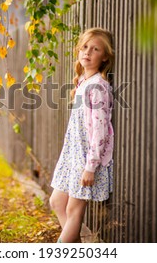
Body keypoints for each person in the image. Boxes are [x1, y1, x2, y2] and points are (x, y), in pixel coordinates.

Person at [49, 27, 115, 243]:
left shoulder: (97, 87)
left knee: (74, 209)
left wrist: (90, 166)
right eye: (85, 47)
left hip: (87, 157)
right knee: (57, 202)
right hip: (73, 154)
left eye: (95, 49)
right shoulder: (82, 82)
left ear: (104, 57)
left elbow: (100, 130)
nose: (87, 52)